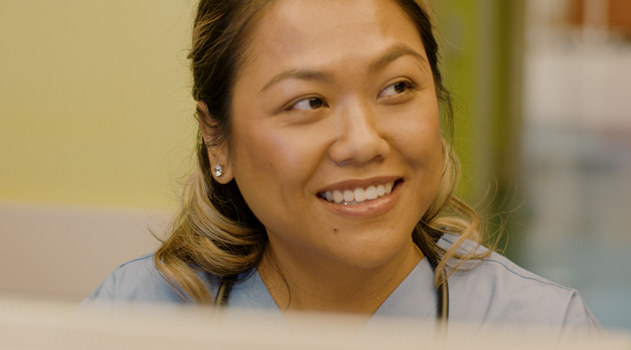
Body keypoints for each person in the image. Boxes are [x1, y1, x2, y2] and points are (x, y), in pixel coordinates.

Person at [85, 0, 599, 334]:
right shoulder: (131, 321)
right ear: (217, 138)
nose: (363, 142)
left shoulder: (544, 330)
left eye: (397, 87)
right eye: (308, 102)